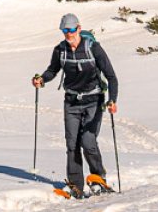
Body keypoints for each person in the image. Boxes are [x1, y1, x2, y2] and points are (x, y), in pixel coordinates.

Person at [32, 13, 118, 198]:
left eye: (71, 29)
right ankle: (75, 185)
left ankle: (98, 177)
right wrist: (41, 79)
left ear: (79, 28)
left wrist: (112, 100)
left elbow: (111, 77)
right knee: (72, 144)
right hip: (71, 102)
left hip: (93, 100)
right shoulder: (60, 50)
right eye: (65, 30)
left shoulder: (93, 48)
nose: (68, 34)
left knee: (88, 141)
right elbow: (52, 70)